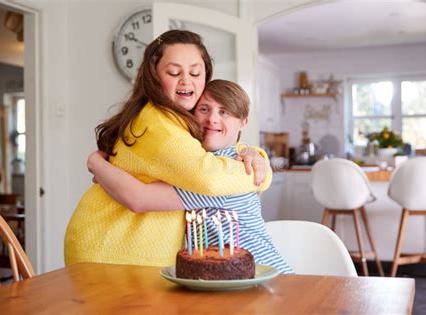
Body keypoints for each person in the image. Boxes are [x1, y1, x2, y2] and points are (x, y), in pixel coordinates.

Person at [64, 30, 272, 267]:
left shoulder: (180, 120)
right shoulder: (159, 123)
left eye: (195, 72)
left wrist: (254, 154)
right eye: (174, 72)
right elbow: (210, 178)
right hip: (112, 248)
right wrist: (261, 173)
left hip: (131, 249)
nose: (186, 80)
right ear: (153, 76)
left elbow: (214, 154)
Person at [88, 80, 293, 274]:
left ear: (243, 122)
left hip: (262, 274)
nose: (212, 119)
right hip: (227, 275)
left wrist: (96, 163)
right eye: (204, 109)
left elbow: (139, 198)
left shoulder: (220, 172)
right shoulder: (202, 162)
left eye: (224, 112)